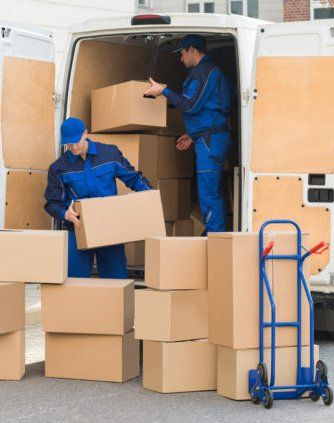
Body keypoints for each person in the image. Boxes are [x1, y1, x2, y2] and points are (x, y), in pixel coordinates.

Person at [145, 34, 231, 234]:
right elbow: (209, 109)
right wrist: (193, 135)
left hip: (211, 141)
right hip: (208, 137)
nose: (181, 58)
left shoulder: (203, 72)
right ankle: (213, 232)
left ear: (192, 50)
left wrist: (164, 91)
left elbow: (190, 105)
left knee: (208, 192)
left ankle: (214, 236)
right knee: (210, 190)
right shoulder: (208, 72)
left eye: (182, 53)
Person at [44, 117, 151, 278]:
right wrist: (65, 214)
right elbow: (52, 203)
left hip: (109, 227)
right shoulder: (59, 168)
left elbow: (133, 178)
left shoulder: (110, 153)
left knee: (115, 280)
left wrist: (149, 195)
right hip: (78, 228)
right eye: (68, 144)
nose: (73, 147)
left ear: (85, 134)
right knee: (75, 281)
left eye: (76, 142)